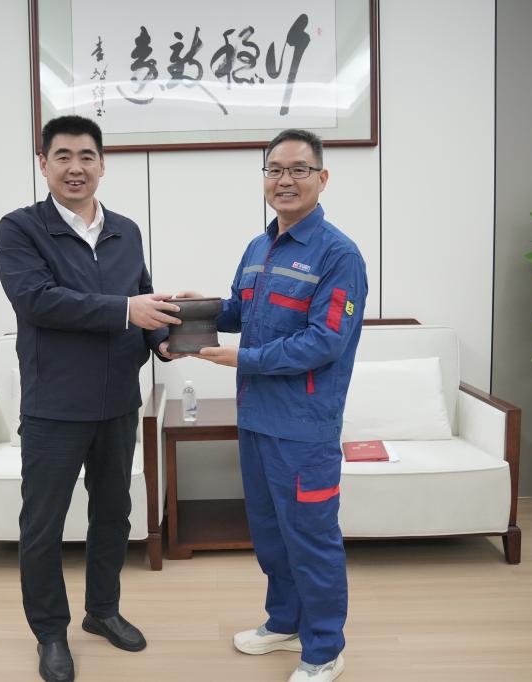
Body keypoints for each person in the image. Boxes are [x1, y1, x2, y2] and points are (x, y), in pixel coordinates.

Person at [0, 115, 181, 682]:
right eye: (63, 156)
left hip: (119, 401)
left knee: (114, 514)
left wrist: (164, 340)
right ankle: (51, 634)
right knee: (43, 525)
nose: (75, 168)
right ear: (43, 163)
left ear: (102, 164)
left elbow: (143, 296)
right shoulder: (21, 228)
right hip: (54, 405)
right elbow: (38, 300)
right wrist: (127, 311)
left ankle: (102, 610)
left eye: (86, 156)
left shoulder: (126, 230)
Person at [195, 129, 367, 682]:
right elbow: (237, 311)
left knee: (311, 539)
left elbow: (325, 342)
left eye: (298, 169)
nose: (284, 180)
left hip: (304, 429)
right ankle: (285, 622)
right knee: (270, 535)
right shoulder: (258, 247)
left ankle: (324, 648)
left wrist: (241, 359)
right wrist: (194, 310)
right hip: (256, 420)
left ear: (322, 178)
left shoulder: (339, 255)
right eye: (275, 169)